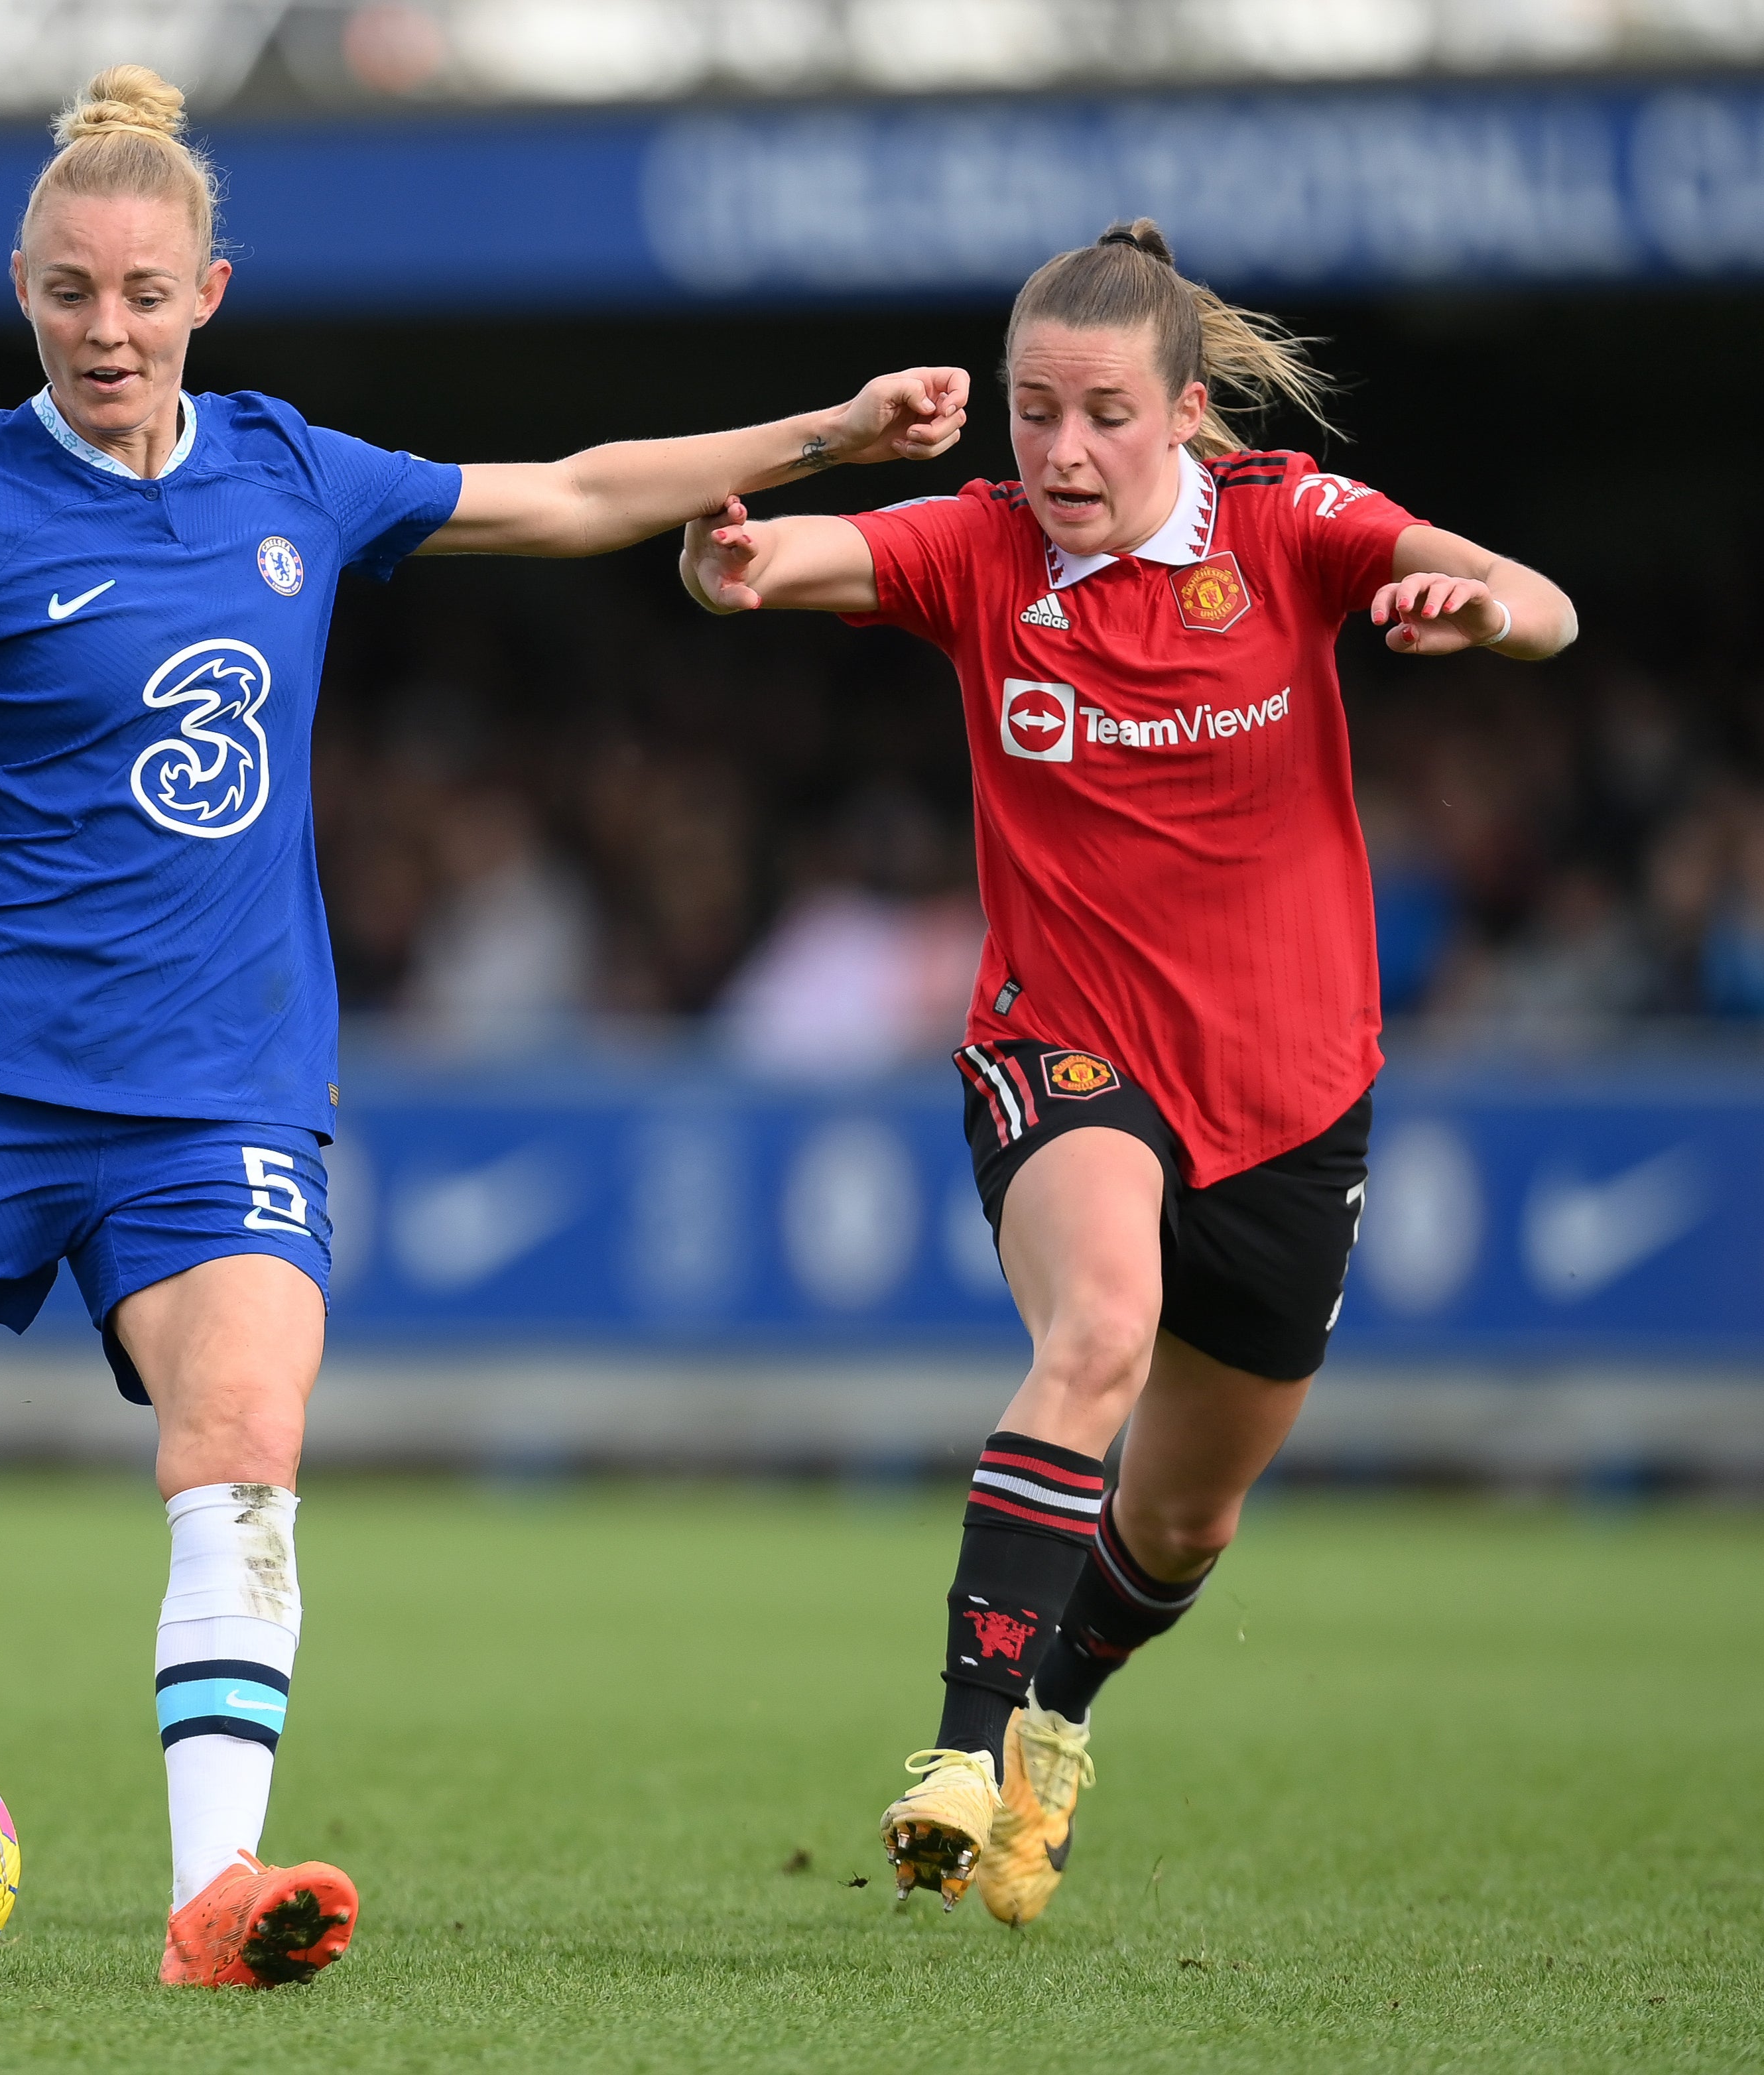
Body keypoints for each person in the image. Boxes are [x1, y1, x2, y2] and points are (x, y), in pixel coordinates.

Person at [0, 64, 968, 1989]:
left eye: (142, 291)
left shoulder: (290, 473)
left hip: (217, 1095)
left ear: (206, 295)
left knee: (243, 1432)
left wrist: (830, 432)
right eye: (69, 291)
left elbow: (578, 493)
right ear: (22, 291)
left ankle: (208, 1898)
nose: (106, 327)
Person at [680, 218, 1576, 1925]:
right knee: (1092, 1330)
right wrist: (728, 565)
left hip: (1293, 1088)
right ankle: (951, 1751)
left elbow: (1547, 603)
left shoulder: (1294, 529)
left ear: (1182, 413)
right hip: (1062, 1045)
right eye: (1031, 414)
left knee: (1182, 1519)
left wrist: (1481, 614)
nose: (1062, 453)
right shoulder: (977, 550)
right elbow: (783, 561)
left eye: (1100, 414)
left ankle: (1052, 1719)